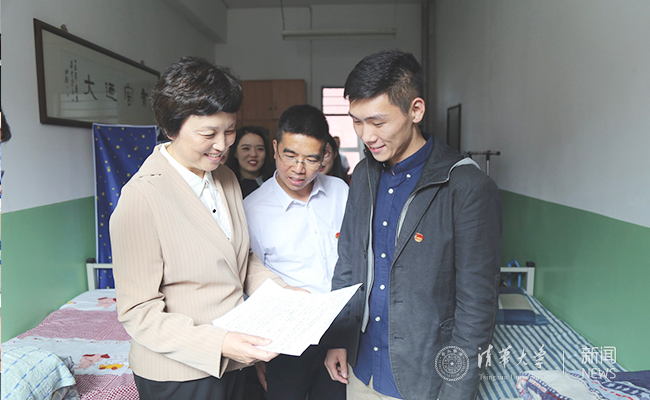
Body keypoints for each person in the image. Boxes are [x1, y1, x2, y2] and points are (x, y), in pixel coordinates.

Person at [110, 56, 292, 400]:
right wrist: (220, 342)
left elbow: (240, 259)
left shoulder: (225, 177)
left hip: (237, 358)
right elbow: (138, 313)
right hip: (179, 374)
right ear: (171, 128)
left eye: (230, 130)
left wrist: (284, 295)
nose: (222, 145)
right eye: (208, 133)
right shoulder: (142, 197)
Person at [323, 49, 502, 400]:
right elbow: (348, 264)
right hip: (361, 371)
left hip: (424, 381)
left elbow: (477, 308)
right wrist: (338, 339)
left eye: (378, 122)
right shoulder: (364, 174)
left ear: (415, 110)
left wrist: (456, 391)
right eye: (357, 122)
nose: (366, 135)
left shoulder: (466, 187)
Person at [244, 104, 349, 400]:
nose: (299, 169)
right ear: (275, 149)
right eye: (290, 155)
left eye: (311, 159)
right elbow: (251, 283)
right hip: (284, 338)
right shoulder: (252, 209)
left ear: (325, 155)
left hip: (339, 330)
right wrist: (258, 354)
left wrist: (342, 337)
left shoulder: (340, 192)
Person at [226, 126, 274, 198]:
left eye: (260, 149)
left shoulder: (274, 184)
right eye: (246, 148)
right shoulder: (225, 184)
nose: (253, 154)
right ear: (235, 152)